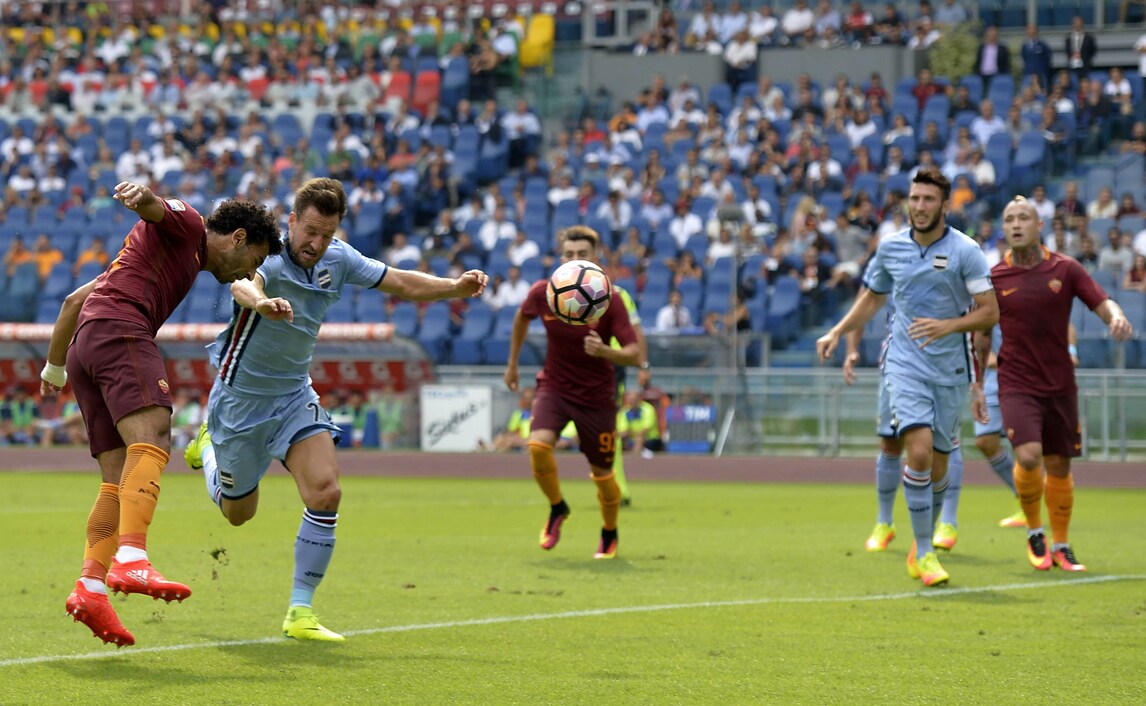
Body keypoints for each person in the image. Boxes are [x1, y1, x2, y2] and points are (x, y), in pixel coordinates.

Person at [182, 178, 487, 641]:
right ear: (292, 221)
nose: (317, 243)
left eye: (327, 234)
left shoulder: (339, 258)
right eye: (310, 231)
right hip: (240, 402)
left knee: (326, 492)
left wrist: (454, 288)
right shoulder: (268, 256)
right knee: (238, 513)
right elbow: (244, 286)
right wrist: (263, 303)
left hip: (294, 396)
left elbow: (401, 281)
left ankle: (300, 612)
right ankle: (207, 447)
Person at [39, 182, 281, 647]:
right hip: (121, 329)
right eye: (253, 260)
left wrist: (54, 367)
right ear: (237, 238)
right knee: (153, 435)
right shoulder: (189, 225)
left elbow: (73, 302)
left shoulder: (150, 260)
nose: (250, 272)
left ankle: (90, 588)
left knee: (116, 479)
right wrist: (142, 196)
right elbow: (157, 207)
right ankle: (132, 557)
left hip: (85, 345)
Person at [816, 168, 999, 587]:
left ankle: (923, 542)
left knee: (938, 465)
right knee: (916, 451)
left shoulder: (966, 251)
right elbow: (871, 299)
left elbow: (990, 312)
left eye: (928, 199)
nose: (919, 206)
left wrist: (948, 326)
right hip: (904, 364)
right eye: (914, 198)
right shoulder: (891, 248)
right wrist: (837, 332)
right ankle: (924, 550)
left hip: (950, 369)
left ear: (945, 205)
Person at [979, 197, 1133, 573]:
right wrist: (976, 384)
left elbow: (1102, 302)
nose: (1016, 224)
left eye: (1023, 218)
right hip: (1016, 383)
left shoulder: (1066, 268)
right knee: (1029, 455)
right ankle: (1035, 532)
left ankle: (1062, 545)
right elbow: (980, 335)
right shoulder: (994, 278)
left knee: (1059, 465)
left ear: (1039, 225)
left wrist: (1116, 316)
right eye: (1009, 219)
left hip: (1060, 383)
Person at [503, 225, 639, 560]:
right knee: (537, 446)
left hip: (597, 396)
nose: (575, 259)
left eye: (582, 254)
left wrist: (605, 351)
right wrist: (512, 364)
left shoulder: (611, 299)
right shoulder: (544, 292)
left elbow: (635, 354)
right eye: (569, 254)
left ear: (596, 258)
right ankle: (557, 507)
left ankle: (609, 532)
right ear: (560, 257)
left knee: (603, 475)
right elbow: (521, 319)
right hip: (555, 386)